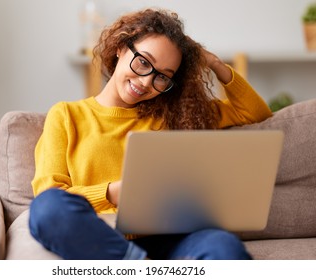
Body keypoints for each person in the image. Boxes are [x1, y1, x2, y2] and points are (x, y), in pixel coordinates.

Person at [29, 8, 272, 260]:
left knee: (222, 245)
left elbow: (254, 113)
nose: (146, 82)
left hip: (173, 238)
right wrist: (117, 191)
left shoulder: (175, 115)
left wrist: (214, 63)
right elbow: (49, 196)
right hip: (103, 238)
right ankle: (134, 262)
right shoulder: (66, 115)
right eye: (144, 62)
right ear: (120, 48)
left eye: (162, 77)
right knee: (46, 209)